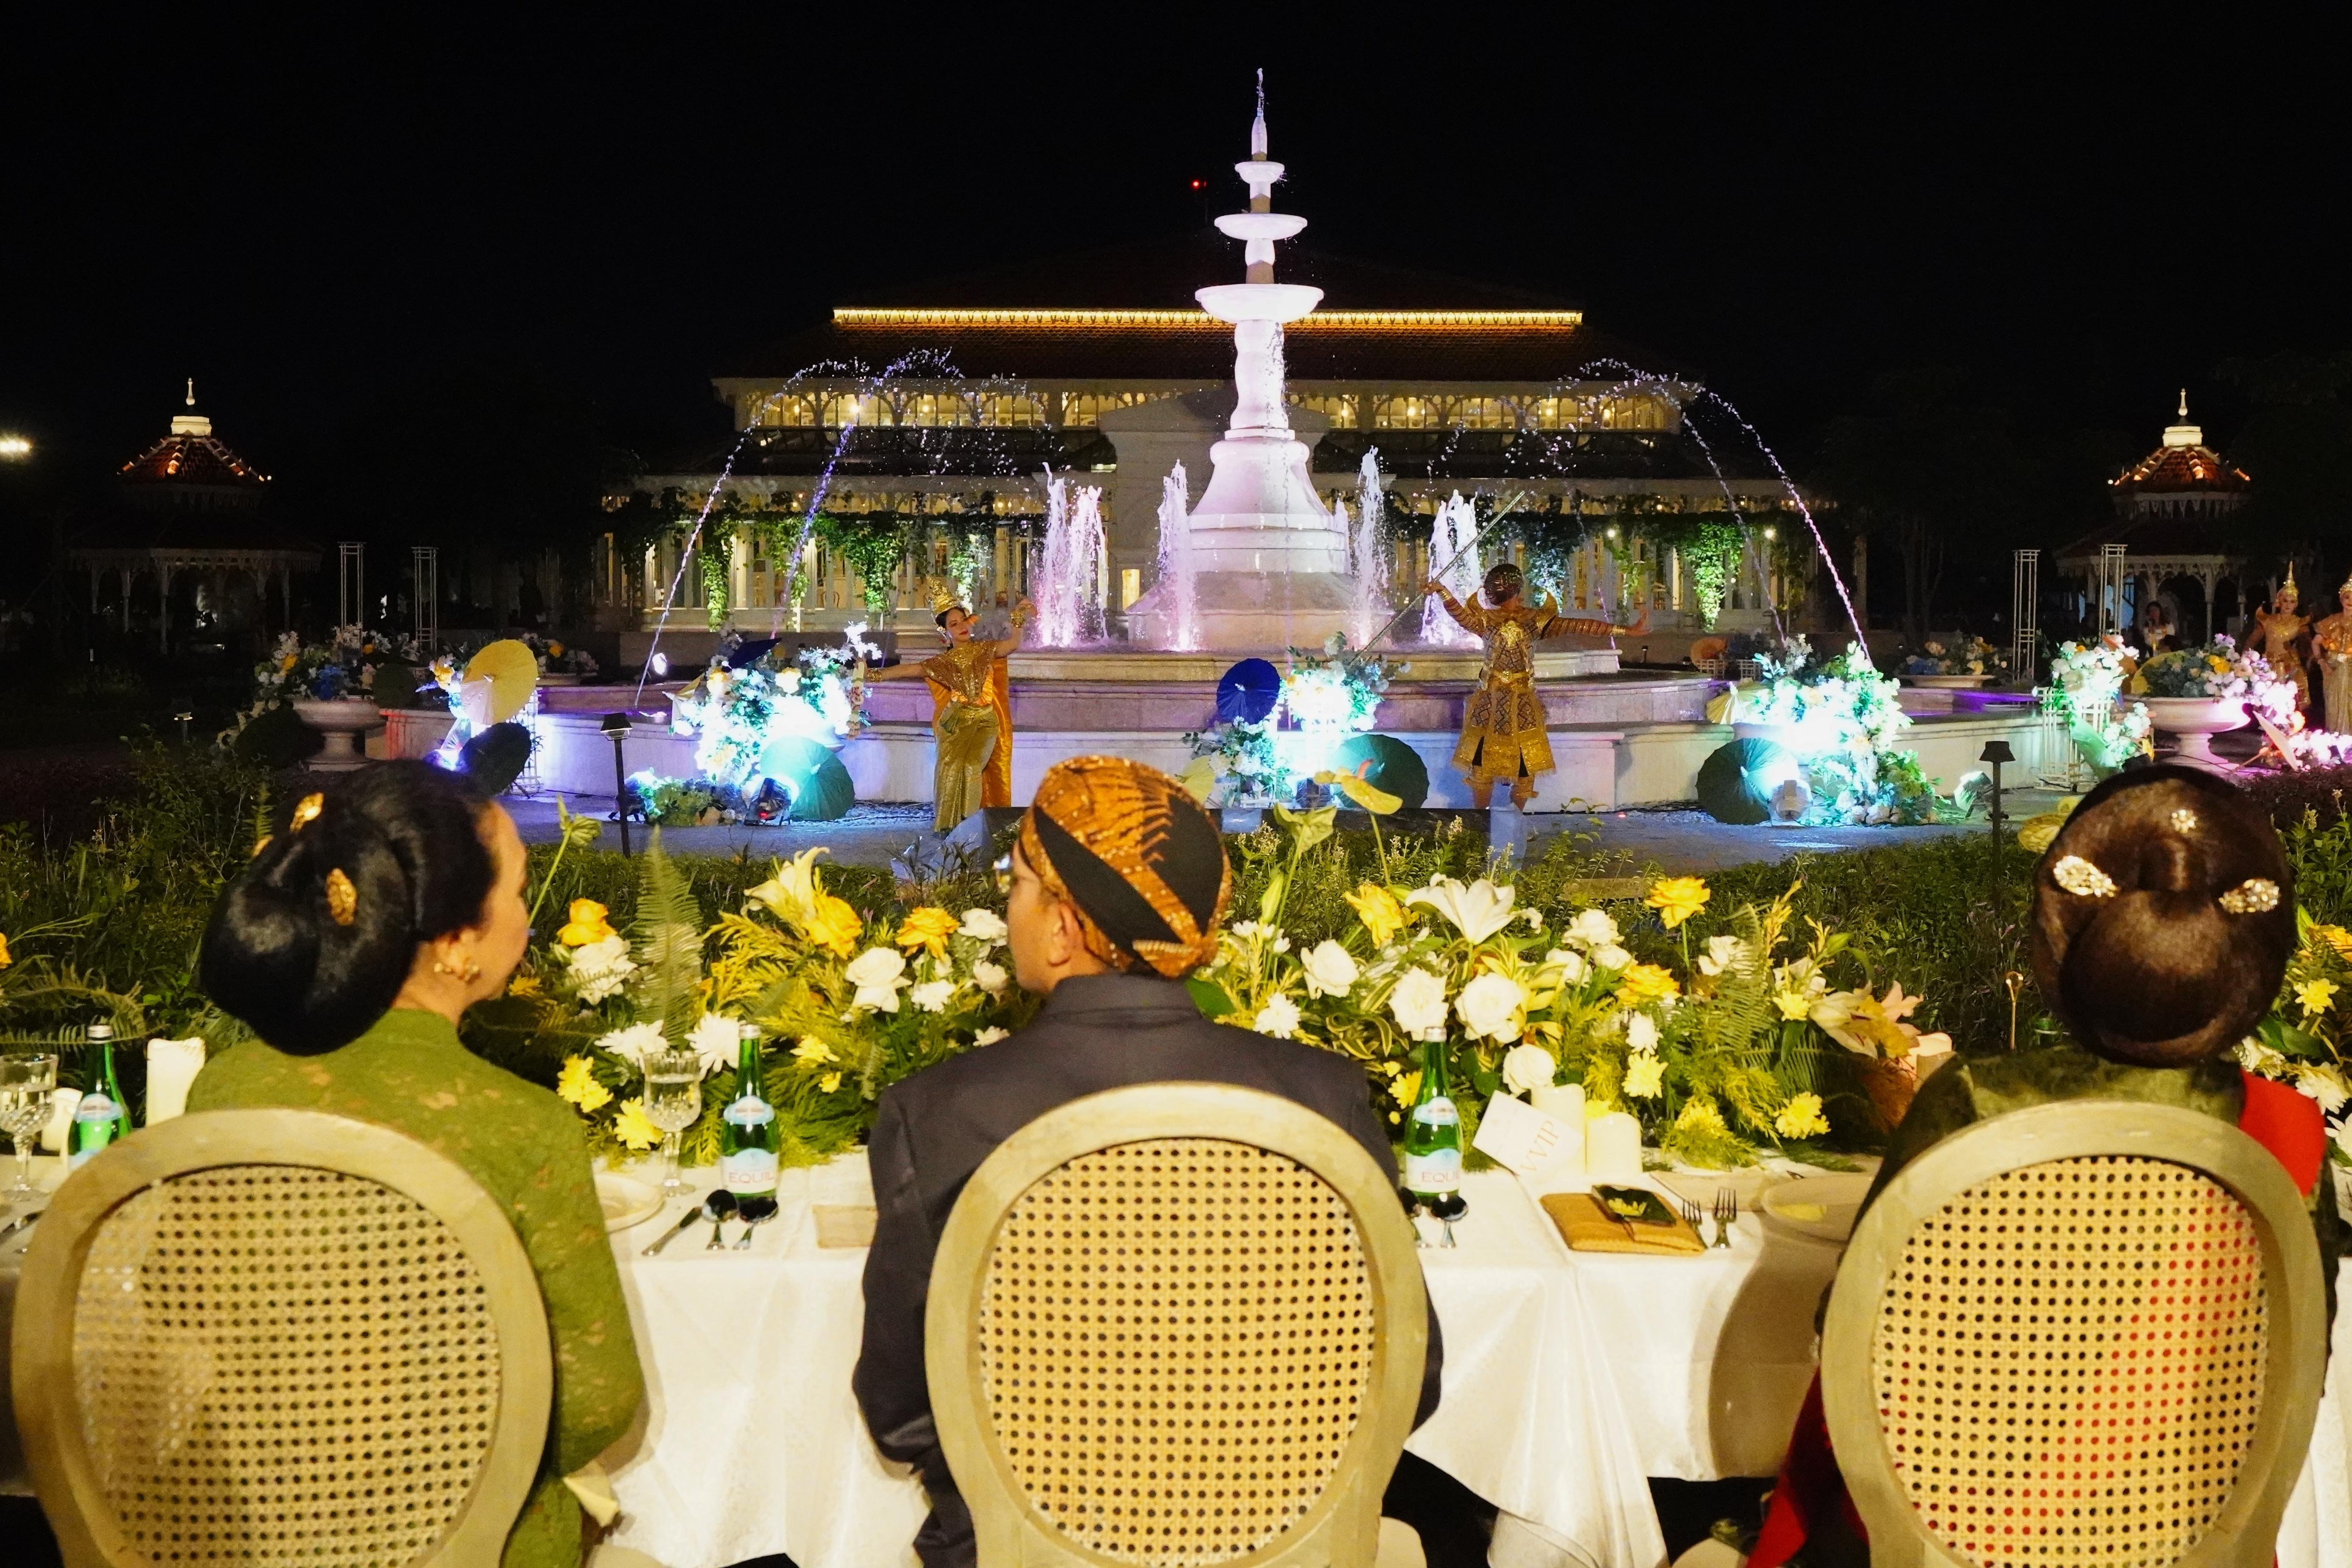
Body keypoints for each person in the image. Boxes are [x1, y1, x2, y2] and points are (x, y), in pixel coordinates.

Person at [852, 755, 1445, 1568]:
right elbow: (1409, 1377)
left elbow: (902, 1413)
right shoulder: (1323, 1097)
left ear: (1064, 926)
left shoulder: (935, 1112)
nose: (1008, 904)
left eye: (1018, 883)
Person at [1748, 766, 2342, 1568]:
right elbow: (2294, 1378)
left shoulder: (1978, 1099)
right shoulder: (2287, 1135)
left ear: (2061, 938)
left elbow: (1852, 1337)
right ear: (2251, 956)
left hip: (1953, 1540)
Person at [188, 763, 643, 1568]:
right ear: (461, 940)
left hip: (252, 1539)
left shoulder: (221, 1091)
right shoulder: (519, 1125)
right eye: (517, 892)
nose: (525, 921)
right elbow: (594, 1403)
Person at [1426, 561, 1648, 808]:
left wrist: (1625, 631)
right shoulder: (1487, 620)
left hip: (1522, 702)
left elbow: (1579, 626)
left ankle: (1514, 823)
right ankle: (1482, 822)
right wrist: (1441, 591)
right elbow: (1462, 616)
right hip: (1490, 702)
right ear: (1517, 590)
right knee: (1482, 765)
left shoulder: (1534, 620)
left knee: (1524, 766)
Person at [867, 590, 1033, 831]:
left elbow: (1013, 644)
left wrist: (1018, 617)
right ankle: (952, 830)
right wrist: (870, 675)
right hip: (956, 723)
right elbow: (907, 670)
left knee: (973, 766)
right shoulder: (943, 663)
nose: (961, 627)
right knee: (954, 771)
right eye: (954, 624)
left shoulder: (986, 649)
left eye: (963, 620)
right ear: (946, 632)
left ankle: (970, 827)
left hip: (986, 721)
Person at [2249, 565, 2315, 716]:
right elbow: (2252, 640)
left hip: (2288, 667)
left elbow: (2308, 642)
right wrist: (2246, 657)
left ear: (2296, 604)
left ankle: (2286, 730)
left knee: (2288, 704)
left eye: (2292, 602)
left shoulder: (2299, 623)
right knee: (2267, 703)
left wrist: (2308, 655)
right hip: (2268, 666)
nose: (2288, 605)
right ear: (2280, 601)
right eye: (2285, 601)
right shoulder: (2268, 620)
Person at [2312, 570, 2352, 735]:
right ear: (2341, 599)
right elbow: (2315, 643)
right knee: (2334, 704)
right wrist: (2322, 662)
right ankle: (2336, 737)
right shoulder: (2331, 621)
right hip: (2333, 667)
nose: (2351, 601)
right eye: (2347, 597)